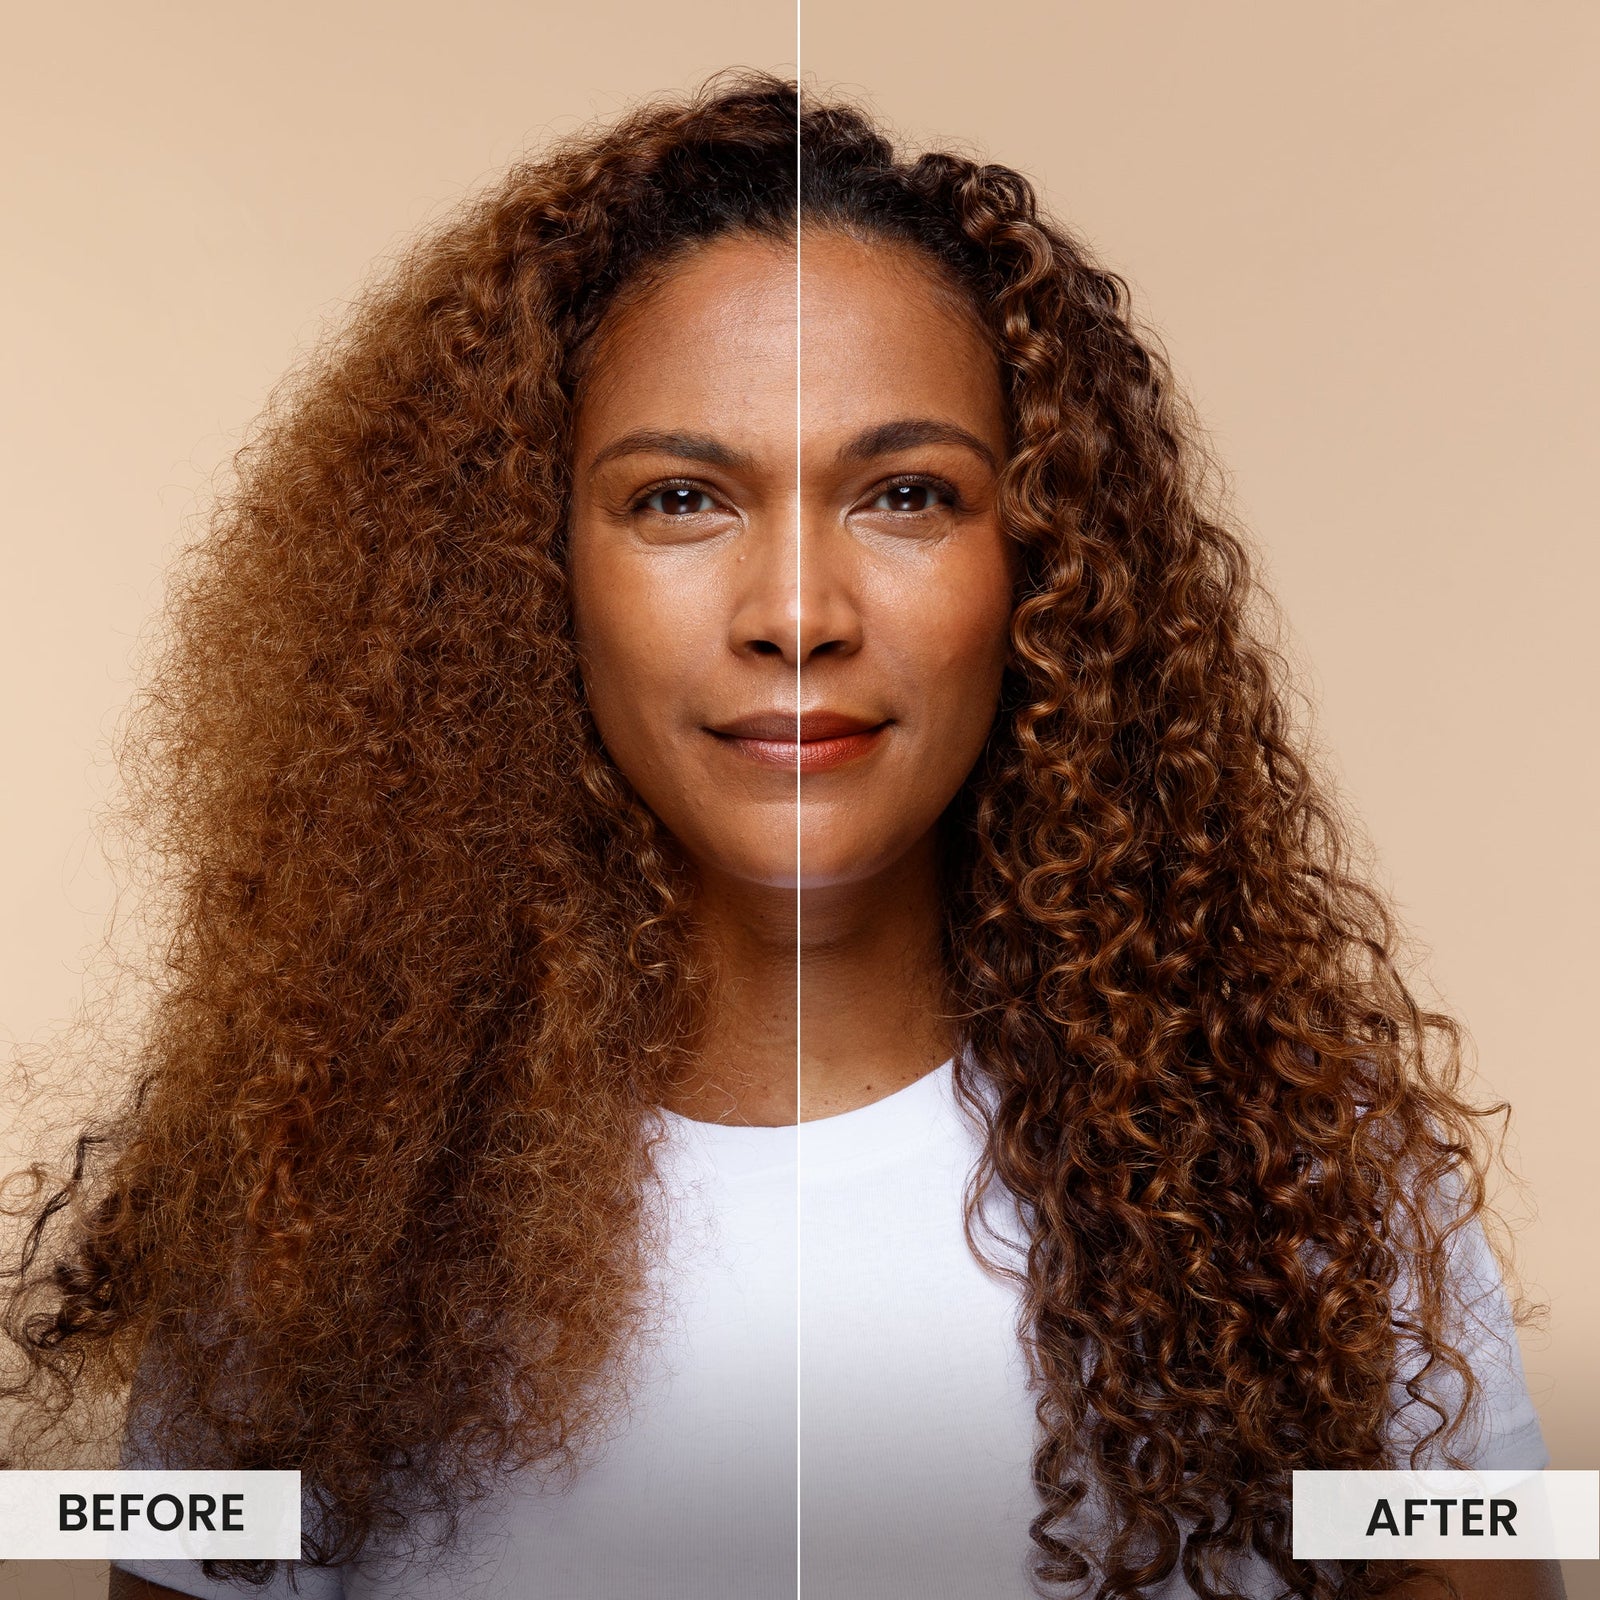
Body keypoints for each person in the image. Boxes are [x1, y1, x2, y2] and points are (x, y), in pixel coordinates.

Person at [0, 72, 1563, 1600]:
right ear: (522, 579)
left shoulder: (1310, 1187)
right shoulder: (309, 1207)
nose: (798, 615)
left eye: (905, 493)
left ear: (1043, 569)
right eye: (681, 499)